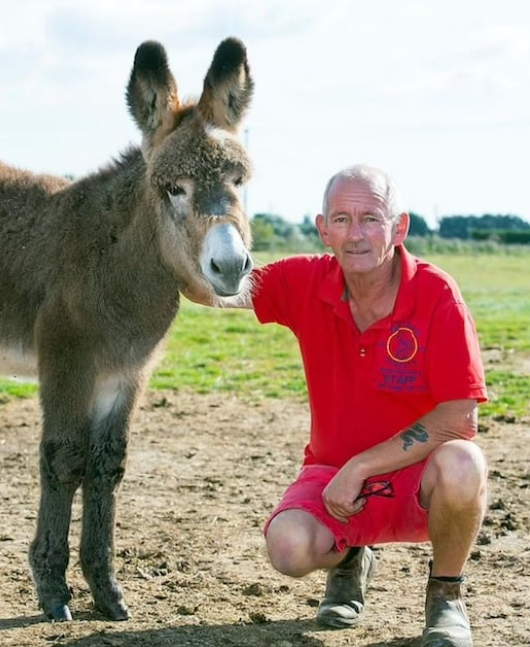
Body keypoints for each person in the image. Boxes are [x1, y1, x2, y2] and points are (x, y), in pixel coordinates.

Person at [184, 163, 488, 647]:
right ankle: (349, 557)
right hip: (331, 476)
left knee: (464, 463)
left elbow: (459, 419)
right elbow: (211, 288)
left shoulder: (437, 295)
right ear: (323, 229)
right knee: (287, 549)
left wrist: (362, 466)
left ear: (399, 227)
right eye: (341, 220)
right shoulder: (304, 281)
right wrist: (182, 229)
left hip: (416, 477)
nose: (356, 234)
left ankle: (446, 596)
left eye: (371, 218)